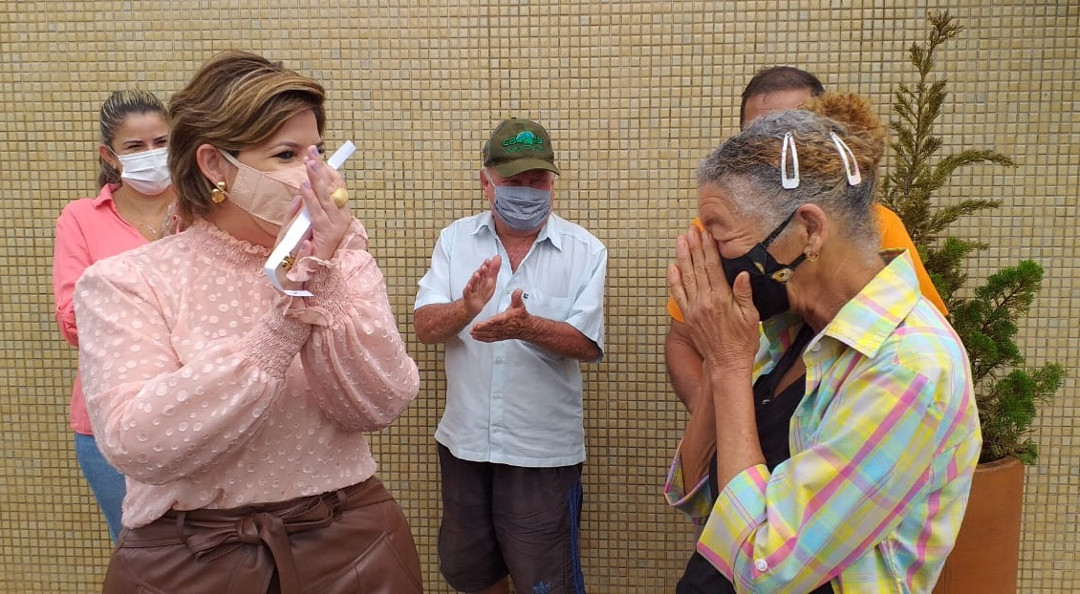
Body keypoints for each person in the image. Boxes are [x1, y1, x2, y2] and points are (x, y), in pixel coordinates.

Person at [74, 51, 422, 593]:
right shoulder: (127, 280)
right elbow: (136, 442)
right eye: (286, 155)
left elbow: (380, 402)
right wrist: (281, 328)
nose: (318, 176)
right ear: (214, 165)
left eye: (318, 153)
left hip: (350, 540)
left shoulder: (345, 261)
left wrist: (322, 278)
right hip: (191, 555)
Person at [664, 93, 981, 592]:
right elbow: (696, 492)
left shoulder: (908, 364)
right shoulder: (790, 331)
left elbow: (770, 569)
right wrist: (723, 360)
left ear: (809, 230)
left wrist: (726, 365)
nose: (711, 261)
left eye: (720, 240)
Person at [666, 66, 948, 413]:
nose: (775, 149)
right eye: (758, 136)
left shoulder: (874, 228)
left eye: (795, 130)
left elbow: (914, 343)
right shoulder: (720, 236)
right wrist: (717, 414)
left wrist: (729, 377)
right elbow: (683, 339)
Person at [414, 117, 606, 594]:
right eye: (513, 181)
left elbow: (588, 345)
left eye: (536, 180)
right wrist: (465, 308)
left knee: (546, 582)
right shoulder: (454, 241)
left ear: (552, 184)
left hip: (542, 453)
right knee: (473, 576)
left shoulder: (585, 251)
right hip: (465, 445)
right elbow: (424, 327)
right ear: (487, 183)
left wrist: (528, 327)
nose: (526, 191)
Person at [52, 89, 176, 543]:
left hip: (195, 412)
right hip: (107, 425)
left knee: (205, 559)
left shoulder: (205, 210)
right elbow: (73, 322)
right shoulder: (80, 219)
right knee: (136, 554)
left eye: (161, 142)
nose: (152, 155)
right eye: (135, 146)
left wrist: (120, 305)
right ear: (110, 156)